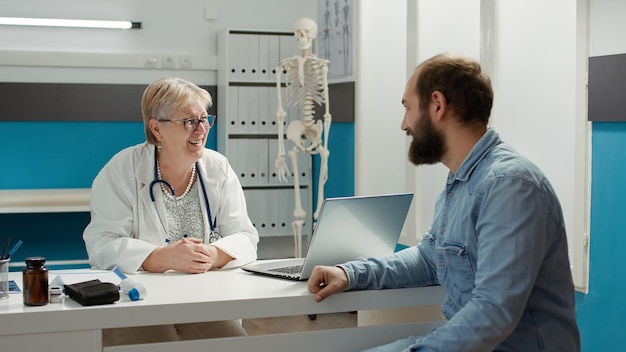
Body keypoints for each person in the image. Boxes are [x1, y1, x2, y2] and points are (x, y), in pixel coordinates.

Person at [307, 53, 580, 351]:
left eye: (407, 108)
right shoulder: (462, 179)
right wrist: (351, 273)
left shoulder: (509, 186)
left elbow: (493, 313)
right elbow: (429, 257)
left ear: (437, 104)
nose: (404, 125)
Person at [83, 77, 259, 345]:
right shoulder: (121, 171)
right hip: (139, 304)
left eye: (204, 119)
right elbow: (102, 245)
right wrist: (161, 257)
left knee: (238, 345)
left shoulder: (217, 167)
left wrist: (212, 254)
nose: (201, 130)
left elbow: (246, 236)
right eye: (189, 122)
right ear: (157, 129)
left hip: (202, 300)